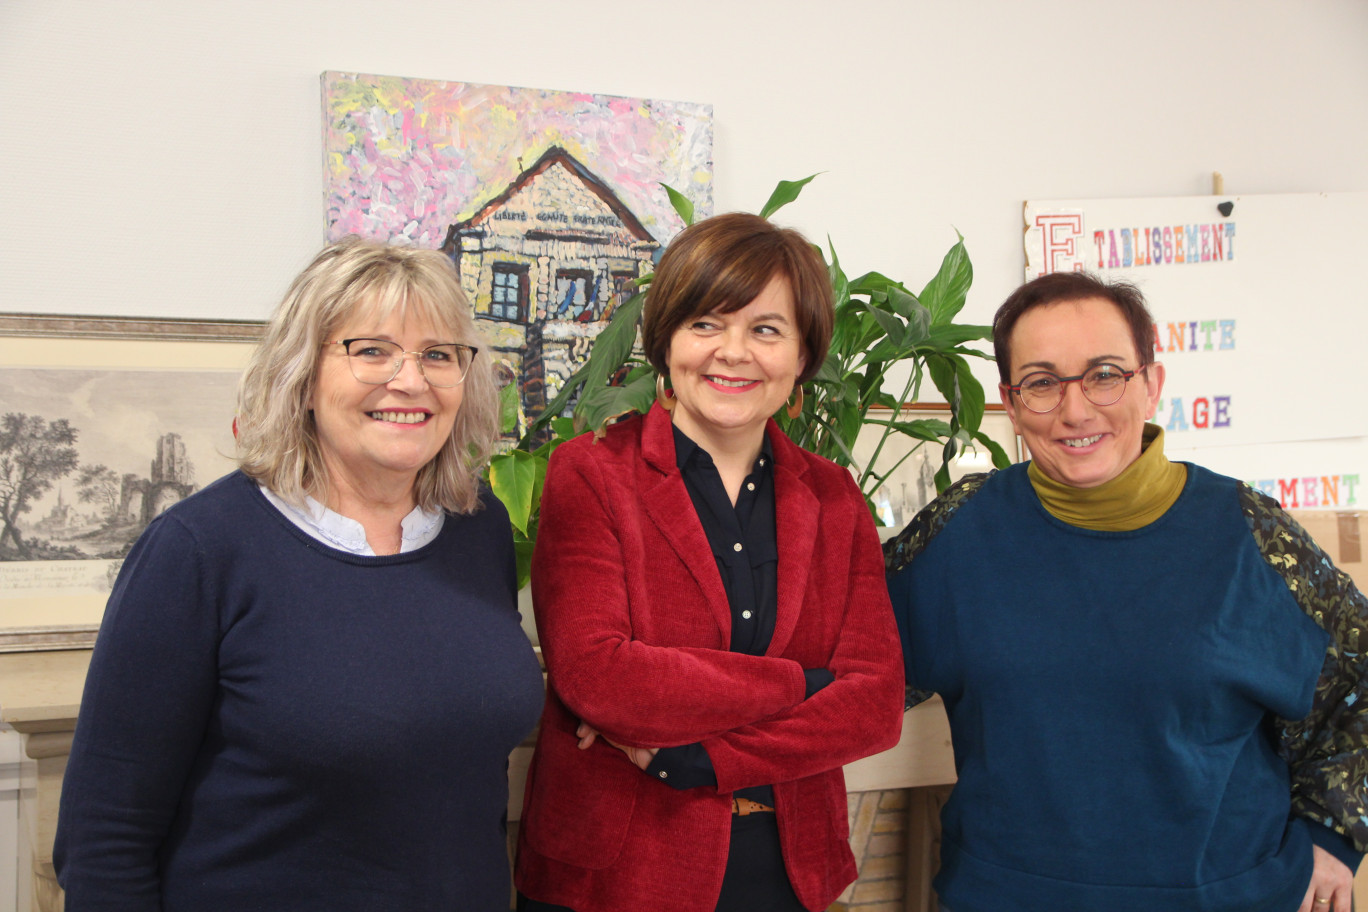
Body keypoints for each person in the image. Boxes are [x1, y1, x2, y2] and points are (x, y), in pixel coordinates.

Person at [54, 238, 544, 911]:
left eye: (439, 354)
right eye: (371, 350)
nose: (411, 379)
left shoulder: (478, 528)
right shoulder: (199, 551)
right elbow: (105, 837)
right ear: (303, 375)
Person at [885, 271, 1368, 912]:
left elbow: (1358, 676)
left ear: (1152, 385)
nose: (1076, 409)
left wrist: (1334, 832)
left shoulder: (1247, 532)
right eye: (1042, 382)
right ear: (1011, 401)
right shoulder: (964, 531)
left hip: (1226, 897)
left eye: (1105, 373)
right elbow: (847, 645)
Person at [514, 212, 905, 912]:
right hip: (620, 875)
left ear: (803, 353)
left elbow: (874, 707)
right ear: (666, 341)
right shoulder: (593, 474)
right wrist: (809, 683)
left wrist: (703, 759)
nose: (734, 352)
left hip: (788, 869)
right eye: (705, 324)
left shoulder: (833, 496)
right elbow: (600, 678)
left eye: (766, 329)